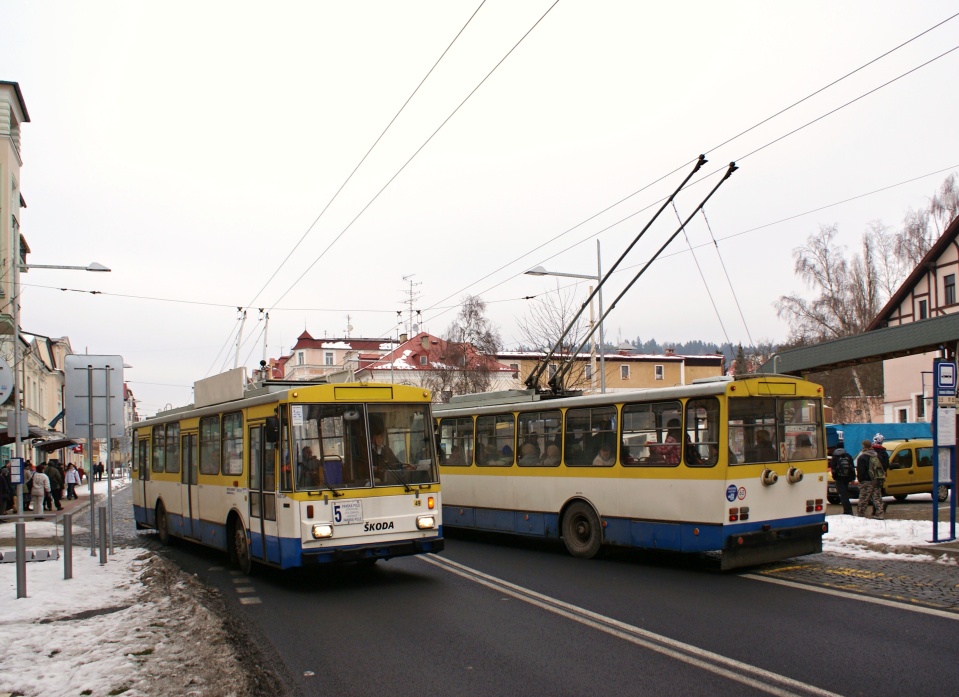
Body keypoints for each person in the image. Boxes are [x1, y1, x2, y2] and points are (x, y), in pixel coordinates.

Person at [856, 439, 884, 519]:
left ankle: (860, 514)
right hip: (876, 480)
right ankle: (880, 513)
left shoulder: (862, 457)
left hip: (866, 481)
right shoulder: (877, 455)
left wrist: (860, 480)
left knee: (863, 499)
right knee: (877, 498)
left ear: (864, 446)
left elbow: (860, 471)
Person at [830, 445, 856, 515]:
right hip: (847, 478)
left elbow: (833, 470)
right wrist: (852, 478)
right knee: (845, 494)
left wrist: (835, 477)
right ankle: (849, 510)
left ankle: (847, 511)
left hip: (839, 478)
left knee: (843, 495)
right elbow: (852, 468)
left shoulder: (835, 457)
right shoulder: (848, 456)